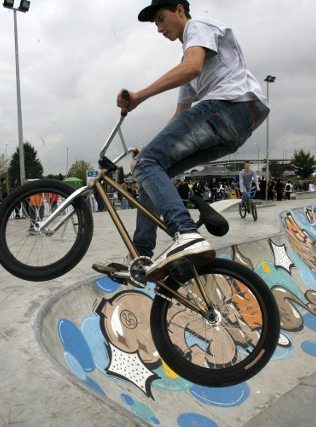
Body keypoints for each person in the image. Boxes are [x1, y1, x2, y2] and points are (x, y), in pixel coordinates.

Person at [115, 0, 269, 281]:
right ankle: (142, 255)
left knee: (146, 164)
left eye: (162, 19)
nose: (160, 28)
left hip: (225, 107)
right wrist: (149, 148)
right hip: (235, 127)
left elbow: (193, 67)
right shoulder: (190, 63)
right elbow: (180, 115)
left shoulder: (198, 27)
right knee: (152, 171)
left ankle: (185, 232)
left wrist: (139, 96)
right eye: (156, 24)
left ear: (180, 11)